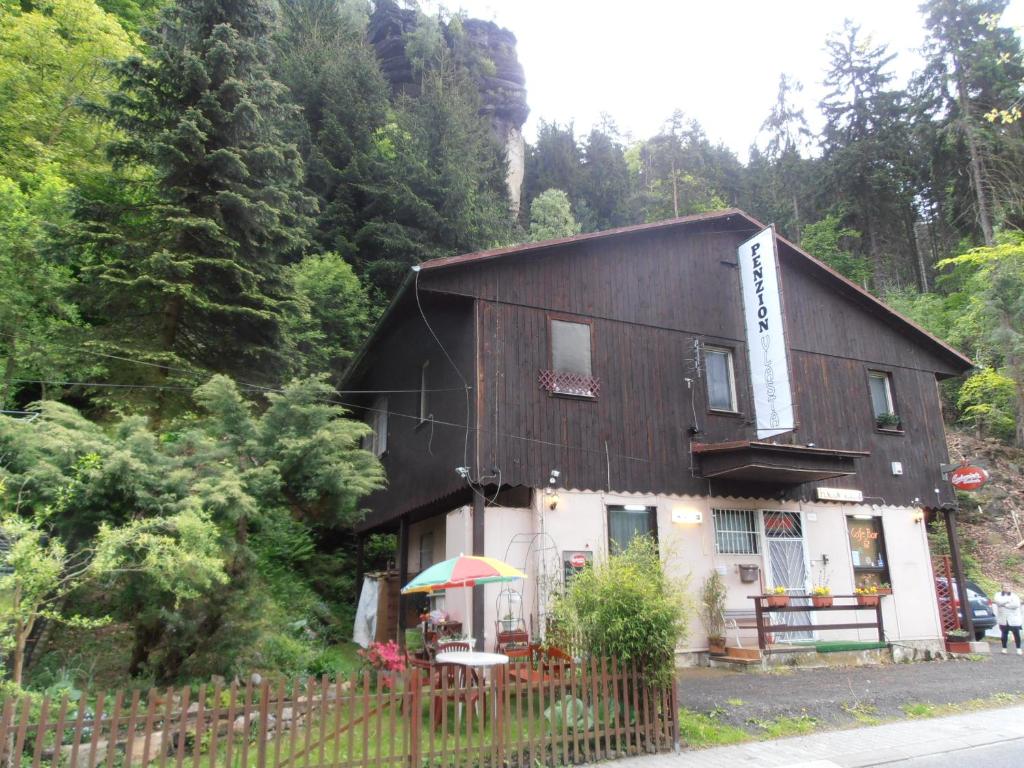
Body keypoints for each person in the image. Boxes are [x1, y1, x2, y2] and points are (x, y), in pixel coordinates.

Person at [992, 586, 1023, 655]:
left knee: (1016, 634)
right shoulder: (998, 595)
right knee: (1004, 634)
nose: (1006, 588)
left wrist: (1004, 605)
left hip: (1014, 618)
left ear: (1010, 588)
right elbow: (998, 602)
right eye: (1004, 587)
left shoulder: (1014, 596)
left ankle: (1018, 649)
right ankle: (1004, 648)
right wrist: (1008, 601)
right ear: (1002, 588)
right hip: (1003, 617)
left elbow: (1016, 605)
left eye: (1007, 587)